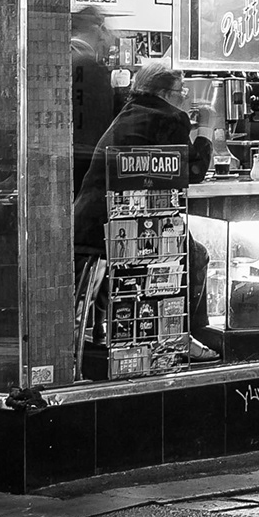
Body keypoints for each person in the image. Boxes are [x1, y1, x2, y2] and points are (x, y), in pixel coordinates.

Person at [74, 63, 217, 361]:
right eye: (181, 91)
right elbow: (195, 171)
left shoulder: (130, 112)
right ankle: (179, 336)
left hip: (92, 221)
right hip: (126, 227)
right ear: (165, 93)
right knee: (195, 255)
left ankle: (121, 331)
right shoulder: (168, 117)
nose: (184, 96)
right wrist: (206, 127)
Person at [70, 5, 119, 195]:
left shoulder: (67, 58)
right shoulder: (89, 66)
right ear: (96, 29)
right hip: (88, 160)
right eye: (103, 30)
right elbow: (101, 122)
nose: (105, 40)